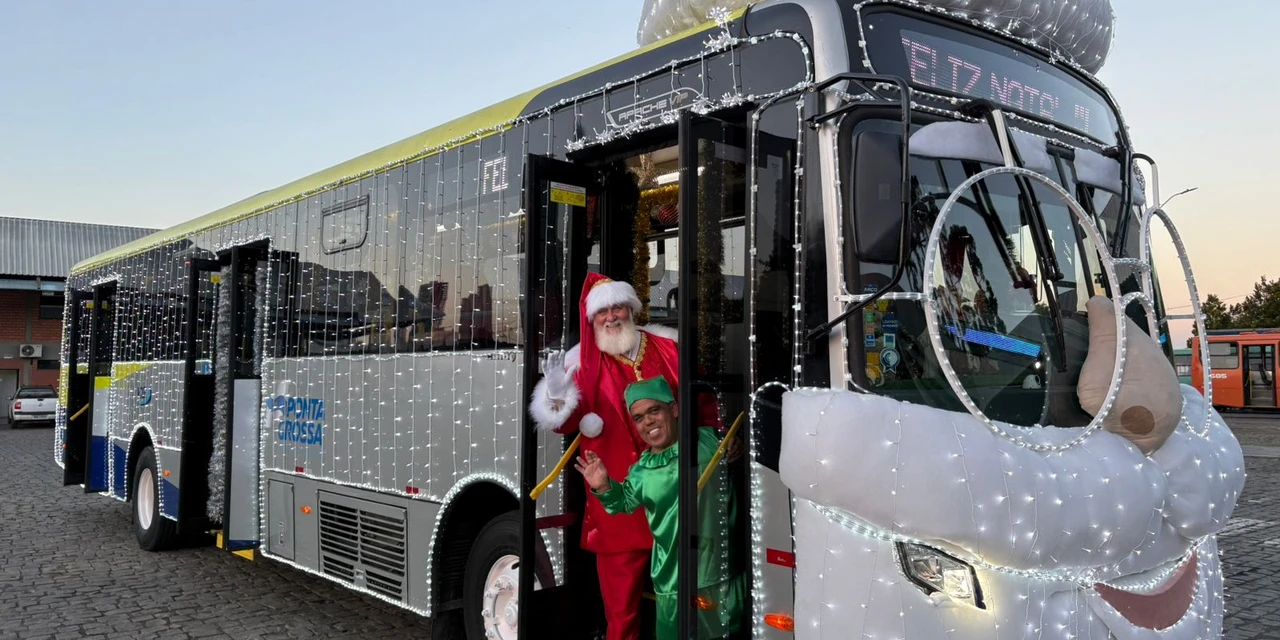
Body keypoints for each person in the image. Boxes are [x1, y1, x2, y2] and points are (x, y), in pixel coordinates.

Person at [530, 272, 733, 640]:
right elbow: (565, 424)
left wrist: (719, 442)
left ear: (631, 309)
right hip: (619, 507)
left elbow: (702, 407)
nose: (611, 317)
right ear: (592, 321)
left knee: (693, 597)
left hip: (676, 501)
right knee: (622, 615)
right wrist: (557, 396)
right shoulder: (584, 365)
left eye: (617, 307)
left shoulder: (668, 348)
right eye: (601, 312)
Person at [574, 377, 744, 640]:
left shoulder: (709, 440)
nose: (648, 422)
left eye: (654, 410)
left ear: (673, 409)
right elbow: (623, 502)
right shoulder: (642, 470)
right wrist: (604, 485)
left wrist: (736, 445)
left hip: (723, 576)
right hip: (674, 583)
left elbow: (739, 450)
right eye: (639, 417)